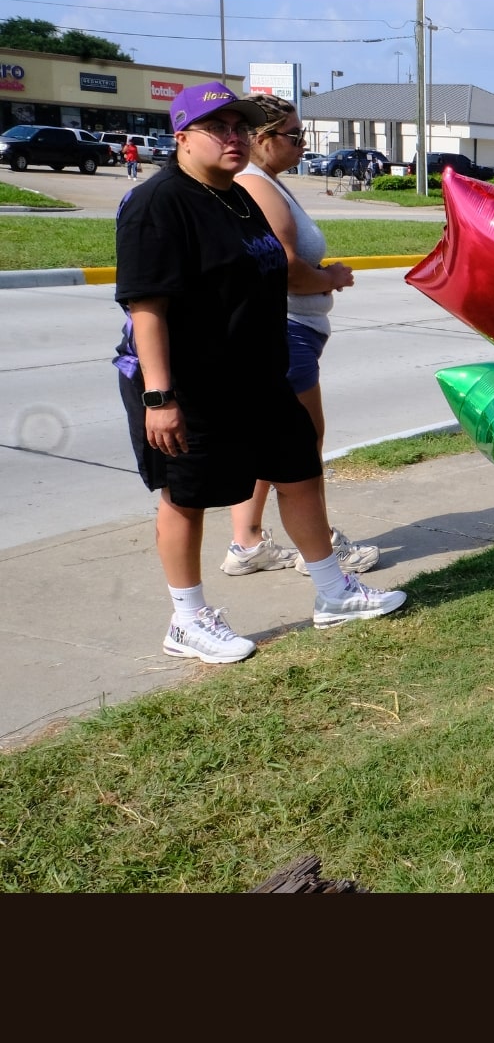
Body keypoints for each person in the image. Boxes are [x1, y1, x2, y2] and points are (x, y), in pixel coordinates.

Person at [113, 81, 405, 665]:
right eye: (218, 128)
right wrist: (160, 398)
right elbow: (146, 306)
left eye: (241, 127)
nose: (234, 137)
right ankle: (187, 620)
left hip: (258, 377)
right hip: (189, 384)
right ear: (182, 136)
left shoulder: (237, 197)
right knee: (186, 497)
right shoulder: (159, 203)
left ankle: (333, 592)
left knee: (299, 473)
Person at [220, 92, 381, 580]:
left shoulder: (262, 182)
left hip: (286, 332)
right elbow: (285, 268)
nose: (303, 143)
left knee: (271, 443)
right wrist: (330, 277)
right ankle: (323, 550)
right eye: (294, 135)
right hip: (287, 333)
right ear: (262, 138)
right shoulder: (256, 183)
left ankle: (248, 543)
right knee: (301, 448)